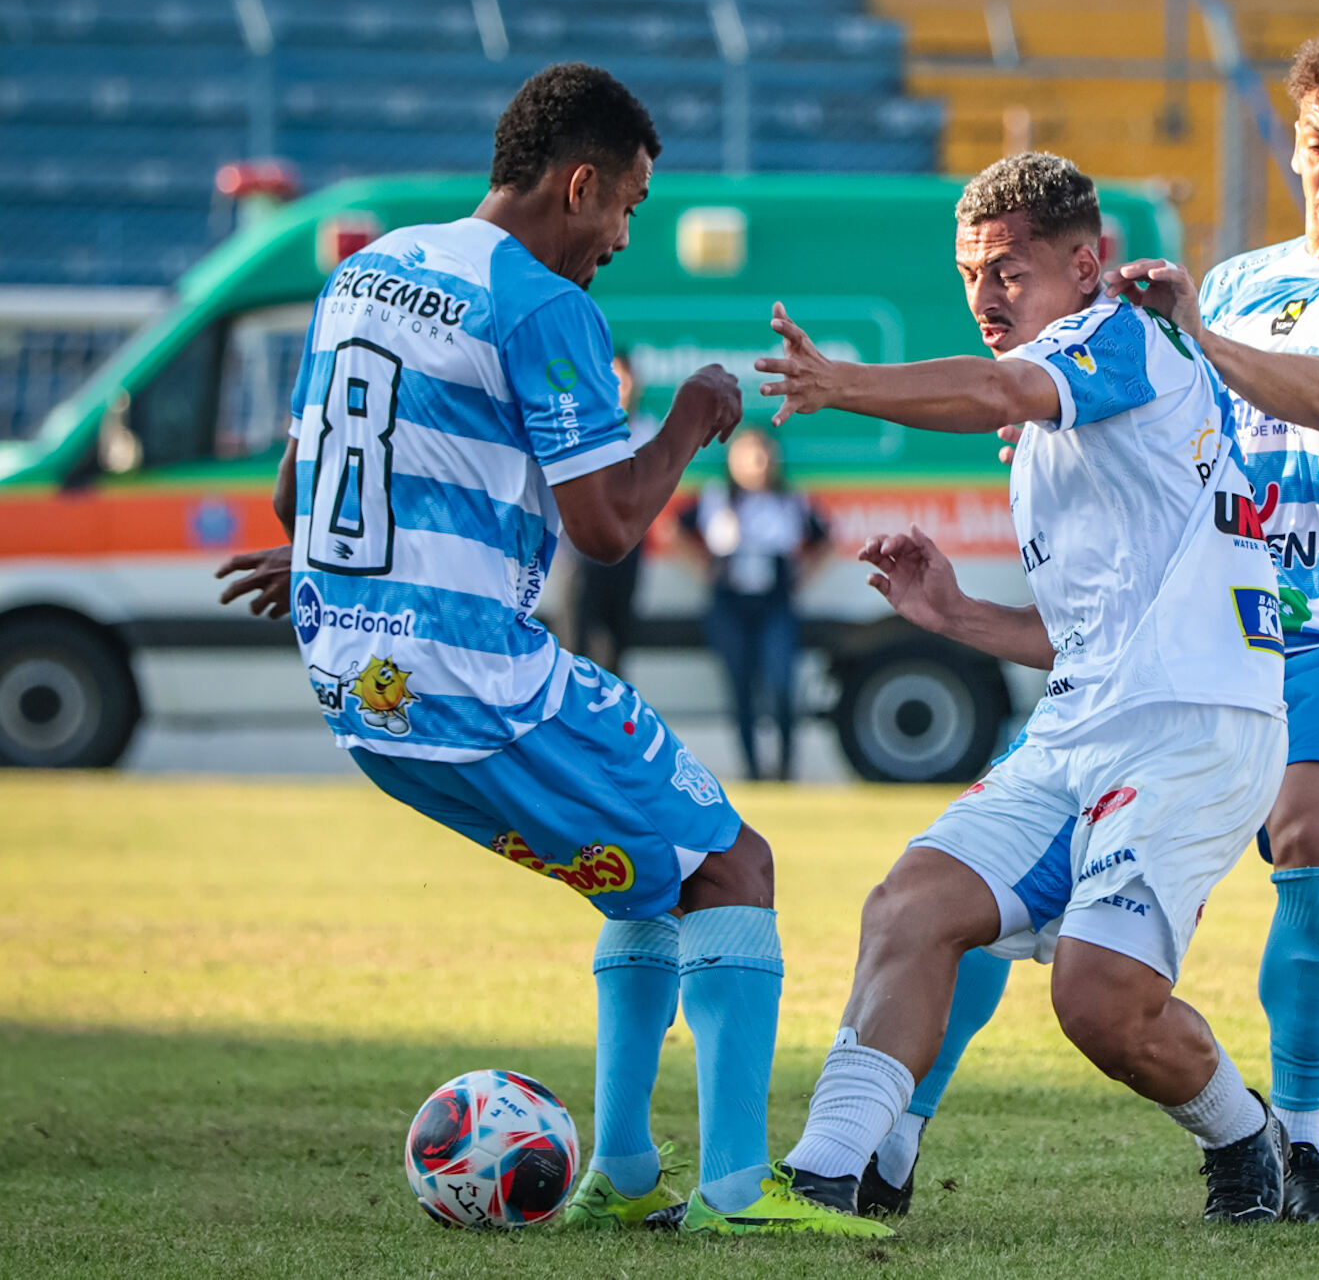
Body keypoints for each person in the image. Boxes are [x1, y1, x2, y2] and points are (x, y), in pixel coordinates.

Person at [212, 63, 876, 1236]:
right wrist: (694, 417)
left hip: (357, 689)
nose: (624, 235)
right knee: (732, 864)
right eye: (626, 204)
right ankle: (732, 1194)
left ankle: (620, 1170)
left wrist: (327, 558)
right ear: (579, 183)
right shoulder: (540, 304)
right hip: (476, 681)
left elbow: (292, 487)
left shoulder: (366, 272)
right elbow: (609, 529)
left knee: (640, 870)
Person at [874, 17, 1319, 1229]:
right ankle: (886, 1135)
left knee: (1309, 829)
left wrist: (1196, 335)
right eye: (1317, 145)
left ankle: (1297, 1141)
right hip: (1196, 629)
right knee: (997, 880)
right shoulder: (1246, 276)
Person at [735, 151, 1294, 1233]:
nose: (985, 296)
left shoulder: (1119, 335)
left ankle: (1242, 1130)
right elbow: (1092, 634)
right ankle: (824, 1178)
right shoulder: (1053, 425)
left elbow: (996, 386)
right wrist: (957, 619)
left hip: (1194, 733)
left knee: (1095, 1004)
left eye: (1007, 271)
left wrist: (840, 381)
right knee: (910, 905)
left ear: (1086, 266)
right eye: (969, 274)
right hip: (1084, 726)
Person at [676, 427, 831, 781]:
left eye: (764, 456)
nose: (758, 464)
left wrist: (801, 577)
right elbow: (677, 529)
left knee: (780, 682)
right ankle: (753, 770)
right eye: (748, 455)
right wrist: (703, 568)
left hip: (774, 600)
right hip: (730, 600)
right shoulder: (716, 498)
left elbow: (824, 540)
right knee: (740, 686)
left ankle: (786, 767)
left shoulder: (790, 501)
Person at [559, 352, 653, 675]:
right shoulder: (576, 425)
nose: (617, 386)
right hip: (582, 549)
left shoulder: (645, 429)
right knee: (575, 640)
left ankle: (611, 719)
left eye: (623, 379)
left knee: (617, 641)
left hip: (625, 548)